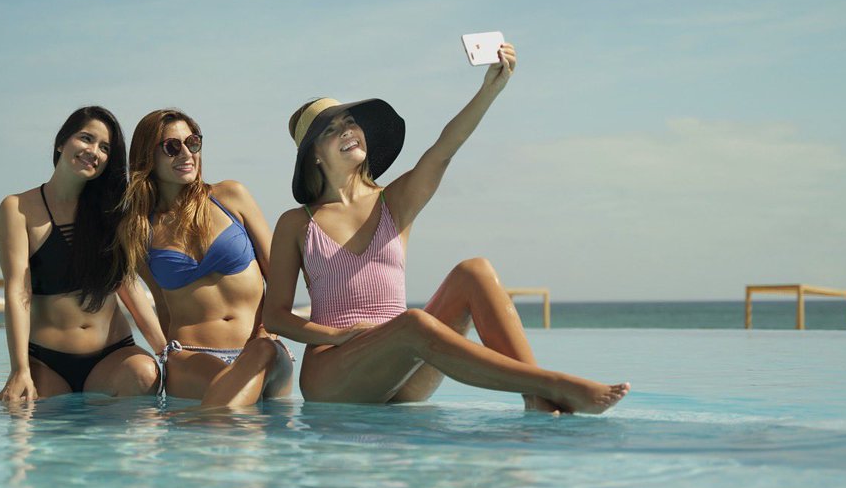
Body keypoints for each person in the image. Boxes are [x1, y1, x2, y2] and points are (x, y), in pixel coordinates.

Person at [264, 44, 630, 414]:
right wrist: (336, 335)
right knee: (412, 323)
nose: (346, 131)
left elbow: (443, 149)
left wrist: (490, 89)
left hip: (405, 371)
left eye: (349, 123)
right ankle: (554, 384)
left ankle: (534, 397)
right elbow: (275, 316)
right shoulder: (298, 223)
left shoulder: (395, 201)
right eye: (331, 129)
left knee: (475, 271)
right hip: (336, 373)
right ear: (314, 153)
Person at [116, 109, 293, 408]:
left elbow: (279, 274)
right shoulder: (137, 229)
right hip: (191, 355)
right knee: (232, 393)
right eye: (171, 146)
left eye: (192, 142)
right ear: (148, 157)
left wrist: (267, 331)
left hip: (261, 346)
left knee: (260, 356)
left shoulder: (231, 196)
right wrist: (166, 353)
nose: (186, 153)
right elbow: (159, 303)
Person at [0, 106, 163, 402]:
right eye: (86, 138)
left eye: (105, 148)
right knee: (27, 415)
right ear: (62, 142)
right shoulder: (18, 208)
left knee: (146, 375)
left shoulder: (110, 211)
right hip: (48, 361)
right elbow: (18, 291)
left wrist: (163, 350)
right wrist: (19, 369)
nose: (93, 151)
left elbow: (127, 284)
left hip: (113, 356)